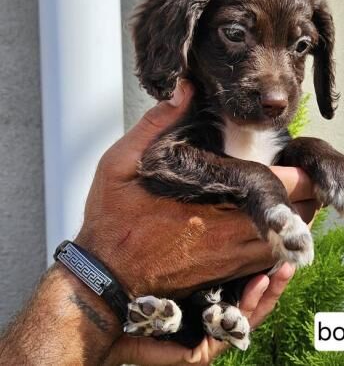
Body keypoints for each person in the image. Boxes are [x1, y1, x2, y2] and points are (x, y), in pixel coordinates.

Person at [0, 81, 317, 366]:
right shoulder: (195, 119)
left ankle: (200, 314)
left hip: (187, 321)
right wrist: (106, 280)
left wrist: (110, 346)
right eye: (234, 34)